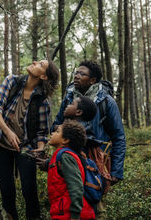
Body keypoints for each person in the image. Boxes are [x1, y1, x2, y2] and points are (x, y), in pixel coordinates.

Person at [52, 60, 126, 219]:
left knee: (95, 202)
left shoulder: (106, 101)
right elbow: (57, 124)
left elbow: (118, 137)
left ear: (92, 80)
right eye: (76, 73)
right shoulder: (69, 98)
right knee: (71, 199)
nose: (76, 76)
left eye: (82, 74)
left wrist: (116, 171)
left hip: (94, 162)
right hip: (70, 160)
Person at [0, 59, 59, 220]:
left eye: (40, 64)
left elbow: (42, 131)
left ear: (44, 77)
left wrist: (41, 148)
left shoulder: (42, 100)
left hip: (26, 147)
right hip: (1, 143)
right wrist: (8, 132)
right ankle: (11, 216)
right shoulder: (11, 81)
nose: (34, 62)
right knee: (7, 190)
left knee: (29, 189)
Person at [45, 119, 95, 220]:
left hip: (71, 215)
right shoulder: (61, 155)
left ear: (65, 140)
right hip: (62, 212)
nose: (53, 133)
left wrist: (75, 216)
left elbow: (76, 187)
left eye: (57, 131)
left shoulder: (66, 157)